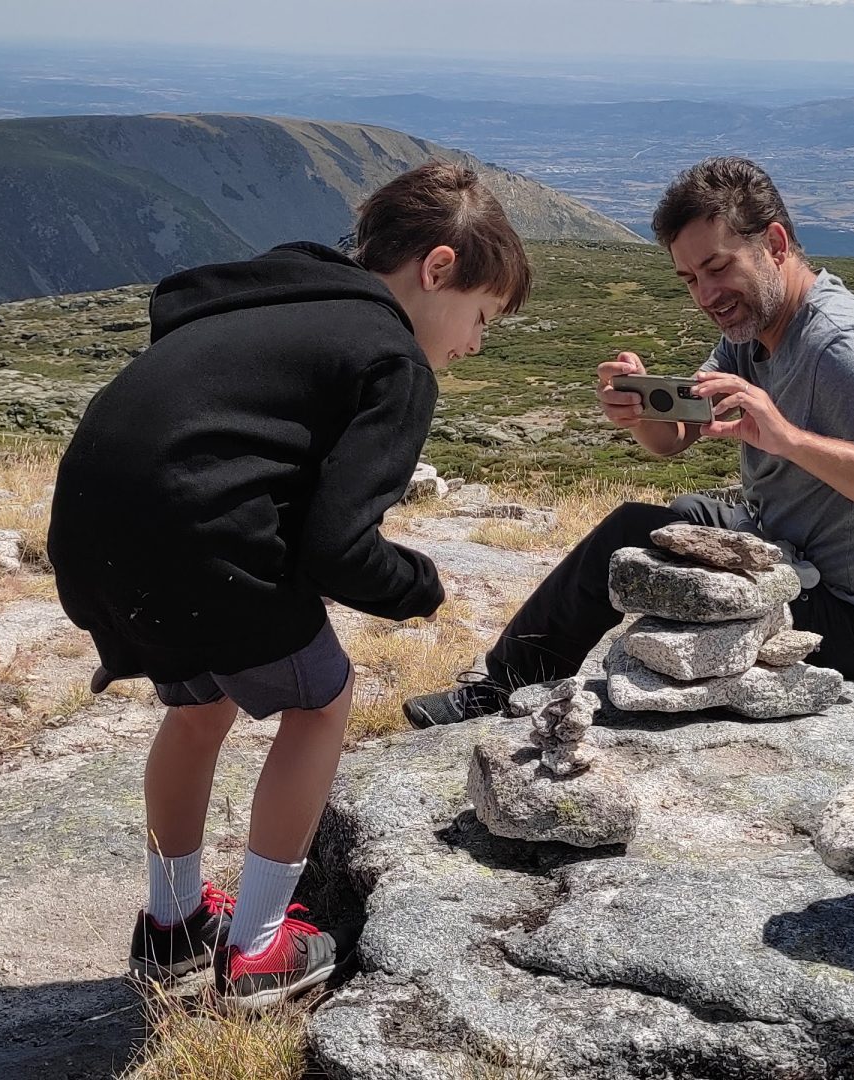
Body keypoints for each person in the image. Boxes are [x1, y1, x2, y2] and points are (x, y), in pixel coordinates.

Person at [48, 162, 531, 1010]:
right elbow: (337, 549)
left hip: (92, 531)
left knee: (199, 709)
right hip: (202, 539)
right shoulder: (392, 359)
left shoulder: (271, 296)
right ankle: (262, 948)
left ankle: (172, 927)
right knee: (323, 701)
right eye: (482, 317)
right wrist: (417, 585)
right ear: (438, 268)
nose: (475, 344)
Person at [403, 156, 854, 728]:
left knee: (630, 531)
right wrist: (640, 411)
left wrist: (789, 439)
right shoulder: (754, 329)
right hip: (807, 566)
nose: (707, 295)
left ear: (774, 244)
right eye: (690, 279)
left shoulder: (841, 347)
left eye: (718, 267)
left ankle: (500, 689)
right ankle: (521, 680)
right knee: (685, 517)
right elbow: (673, 440)